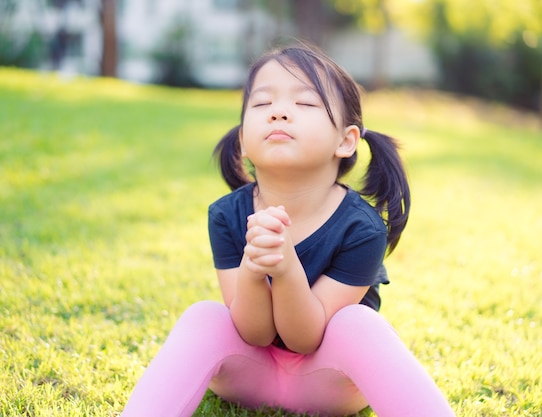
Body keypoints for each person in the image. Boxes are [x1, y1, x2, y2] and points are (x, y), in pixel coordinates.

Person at [120, 44, 455, 417]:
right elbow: (254, 333)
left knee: (359, 324)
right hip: (250, 378)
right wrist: (252, 269)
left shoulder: (362, 228)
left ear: (346, 141)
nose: (278, 112)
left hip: (327, 383)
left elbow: (305, 338)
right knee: (205, 316)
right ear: (244, 140)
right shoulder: (227, 215)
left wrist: (284, 267)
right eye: (262, 104)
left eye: (306, 104)